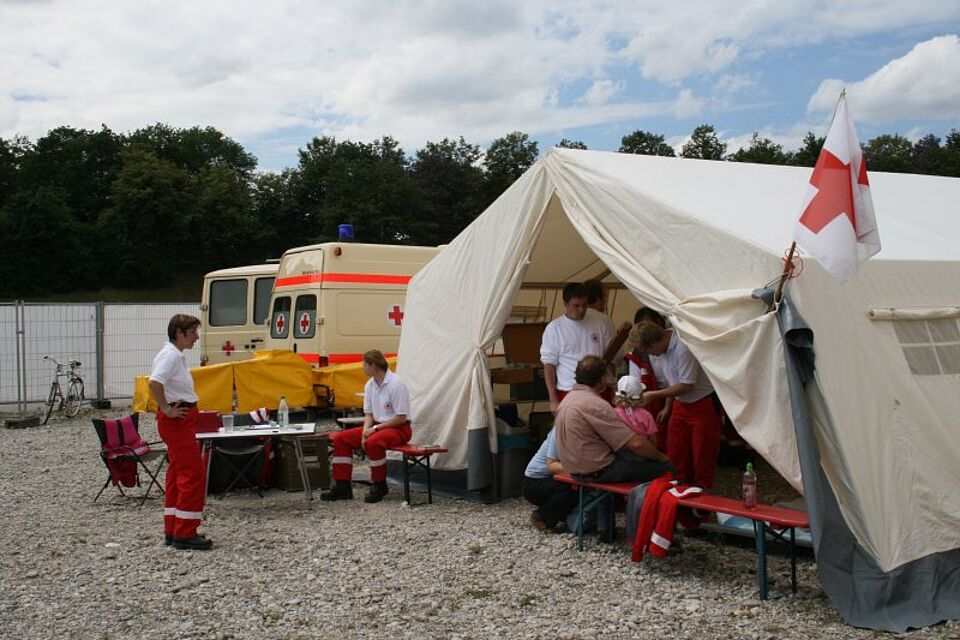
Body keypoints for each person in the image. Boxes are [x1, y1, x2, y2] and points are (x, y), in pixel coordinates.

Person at [629, 321, 723, 489]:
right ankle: (678, 489)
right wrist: (667, 407)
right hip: (681, 402)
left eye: (648, 351)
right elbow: (671, 382)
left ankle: (701, 496)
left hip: (702, 402)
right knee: (676, 450)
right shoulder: (662, 349)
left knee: (702, 455)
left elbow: (687, 385)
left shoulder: (683, 346)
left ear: (654, 343)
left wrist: (654, 395)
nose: (651, 355)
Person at [148, 314, 212, 551]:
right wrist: (167, 409)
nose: (196, 337)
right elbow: (154, 382)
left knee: (177, 473)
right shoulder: (172, 356)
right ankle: (185, 532)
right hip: (178, 422)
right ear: (179, 333)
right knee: (192, 473)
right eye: (193, 332)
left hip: (179, 421)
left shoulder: (172, 355)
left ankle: (174, 528)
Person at [554, 356, 672, 484]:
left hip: (574, 471)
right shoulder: (595, 404)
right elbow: (636, 444)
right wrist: (662, 457)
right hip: (598, 471)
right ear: (602, 379)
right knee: (665, 468)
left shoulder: (566, 401)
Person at [322, 349, 412, 503]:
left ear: (374, 365)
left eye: (365, 365)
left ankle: (379, 484)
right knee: (341, 439)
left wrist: (374, 430)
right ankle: (342, 485)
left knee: (374, 442)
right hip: (377, 426)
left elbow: (401, 417)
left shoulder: (396, 384)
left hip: (399, 428)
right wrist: (365, 432)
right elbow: (369, 414)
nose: (363, 368)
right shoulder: (370, 385)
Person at [540, 282, 611, 415]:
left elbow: (609, 355)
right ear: (565, 304)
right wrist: (553, 400)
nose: (581, 309)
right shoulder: (554, 328)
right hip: (569, 390)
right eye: (576, 306)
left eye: (584, 305)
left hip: (599, 390)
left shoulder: (599, 322)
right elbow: (549, 366)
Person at [522, 426, 577, 533]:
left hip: (549, 478)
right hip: (535, 481)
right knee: (566, 488)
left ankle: (566, 518)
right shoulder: (560, 430)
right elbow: (552, 467)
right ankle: (542, 517)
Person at [613, 375, 658, 446]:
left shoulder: (614, 413)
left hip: (623, 449)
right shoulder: (646, 415)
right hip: (644, 448)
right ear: (641, 396)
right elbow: (653, 439)